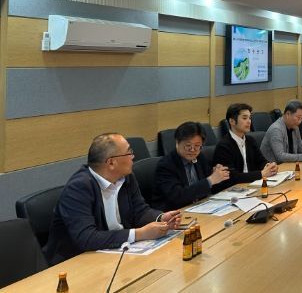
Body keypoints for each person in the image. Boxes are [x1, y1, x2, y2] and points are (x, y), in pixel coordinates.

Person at [44, 133, 181, 265]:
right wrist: (139, 234)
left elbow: (140, 211)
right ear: (111, 163)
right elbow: (87, 238)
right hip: (76, 262)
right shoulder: (78, 188)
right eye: (129, 153)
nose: (133, 157)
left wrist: (161, 218)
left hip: (114, 252)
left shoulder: (126, 177)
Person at [153, 122, 231, 211]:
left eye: (197, 146)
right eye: (188, 145)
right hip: (174, 212)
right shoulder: (166, 165)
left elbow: (210, 186)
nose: (192, 150)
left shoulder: (200, 158)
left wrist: (218, 174)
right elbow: (178, 197)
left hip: (198, 207)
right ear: (177, 142)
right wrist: (210, 180)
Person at [213, 103, 278, 184]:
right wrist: (261, 174)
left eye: (249, 118)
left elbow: (261, 161)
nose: (249, 121)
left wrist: (270, 166)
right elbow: (232, 177)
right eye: (244, 118)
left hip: (251, 184)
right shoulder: (223, 146)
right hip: (233, 188)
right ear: (232, 121)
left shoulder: (250, 141)